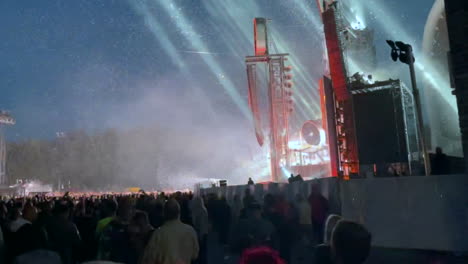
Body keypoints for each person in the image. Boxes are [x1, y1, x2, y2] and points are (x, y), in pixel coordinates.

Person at [141, 199, 199, 264]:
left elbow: (149, 258)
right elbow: (195, 255)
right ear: (179, 213)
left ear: (164, 213)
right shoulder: (190, 231)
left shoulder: (158, 234)